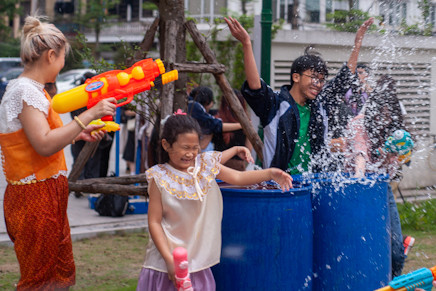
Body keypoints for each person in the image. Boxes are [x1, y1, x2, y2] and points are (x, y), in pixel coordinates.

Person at [0, 16, 116, 290]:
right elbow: (44, 144)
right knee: (39, 280)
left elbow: (43, 139)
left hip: (47, 191)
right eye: (63, 57)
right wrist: (90, 114)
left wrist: (79, 132)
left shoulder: (34, 91)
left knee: (58, 274)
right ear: (51, 55)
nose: (63, 63)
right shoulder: (24, 92)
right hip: (33, 196)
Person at [137, 112, 293, 290]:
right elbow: (154, 222)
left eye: (195, 148)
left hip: (198, 260)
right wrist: (169, 259)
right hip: (167, 262)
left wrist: (270, 173)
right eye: (185, 147)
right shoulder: (160, 177)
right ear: (166, 145)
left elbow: (238, 177)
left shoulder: (205, 165)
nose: (190, 153)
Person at [225, 16, 374, 174]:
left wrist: (357, 43)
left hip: (314, 183)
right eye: (314, 78)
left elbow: (343, 79)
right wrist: (247, 44)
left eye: (322, 80)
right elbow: (255, 88)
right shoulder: (276, 105)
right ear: (296, 77)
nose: (318, 84)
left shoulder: (319, 105)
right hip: (281, 185)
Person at [341, 75, 407, 278]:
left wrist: (395, 154)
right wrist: (360, 180)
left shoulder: (393, 130)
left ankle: (394, 282)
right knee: (362, 248)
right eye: (381, 115)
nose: (383, 120)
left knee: (396, 252)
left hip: (381, 187)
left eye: (388, 116)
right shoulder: (358, 124)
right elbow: (360, 155)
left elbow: (392, 173)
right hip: (355, 188)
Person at [187, 86, 242, 150]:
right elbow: (215, 125)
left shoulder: (190, 104)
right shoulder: (196, 108)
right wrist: (241, 125)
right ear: (207, 101)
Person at [213, 89, 252, 170]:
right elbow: (248, 150)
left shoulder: (217, 119)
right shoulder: (244, 122)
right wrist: (244, 125)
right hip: (236, 166)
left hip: (219, 163)